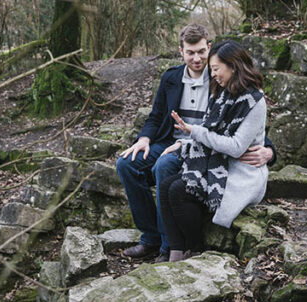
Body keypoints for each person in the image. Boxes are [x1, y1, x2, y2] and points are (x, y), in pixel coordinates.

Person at [116, 25, 275, 263]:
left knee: (164, 166)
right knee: (126, 164)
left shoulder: (222, 77)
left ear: (209, 49)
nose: (197, 58)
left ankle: (169, 245)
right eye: (190, 52)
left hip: (200, 146)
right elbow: (156, 116)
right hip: (172, 141)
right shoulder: (171, 77)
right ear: (181, 51)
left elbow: (245, 123)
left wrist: (270, 151)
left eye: (202, 52)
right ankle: (150, 238)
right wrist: (144, 138)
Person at [159, 40, 268, 262]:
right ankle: (176, 252)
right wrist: (183, 144)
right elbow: (211, 135)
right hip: (218, 162)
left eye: (216, 69)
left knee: (179, 190)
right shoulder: (222, 94)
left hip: (241, 171)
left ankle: (196, 249)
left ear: (233, 66)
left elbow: (237, 147)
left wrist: (194, 132)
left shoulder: (255, 101)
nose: (214, 75)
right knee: (165, 185)